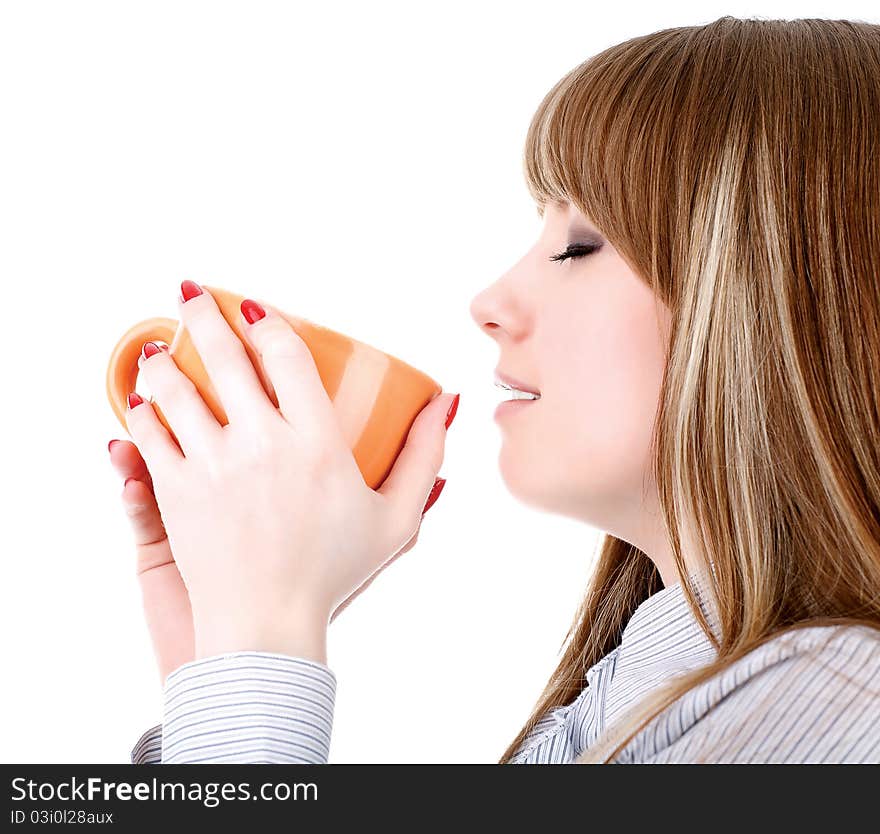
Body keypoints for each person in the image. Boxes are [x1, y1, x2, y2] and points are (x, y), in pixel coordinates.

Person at [108, 15, 880, 764]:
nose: (490, 302)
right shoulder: (644, 689)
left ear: (785, 297)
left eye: (579, 245)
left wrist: (260, 647)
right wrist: (216, 671)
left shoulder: (843, 700)